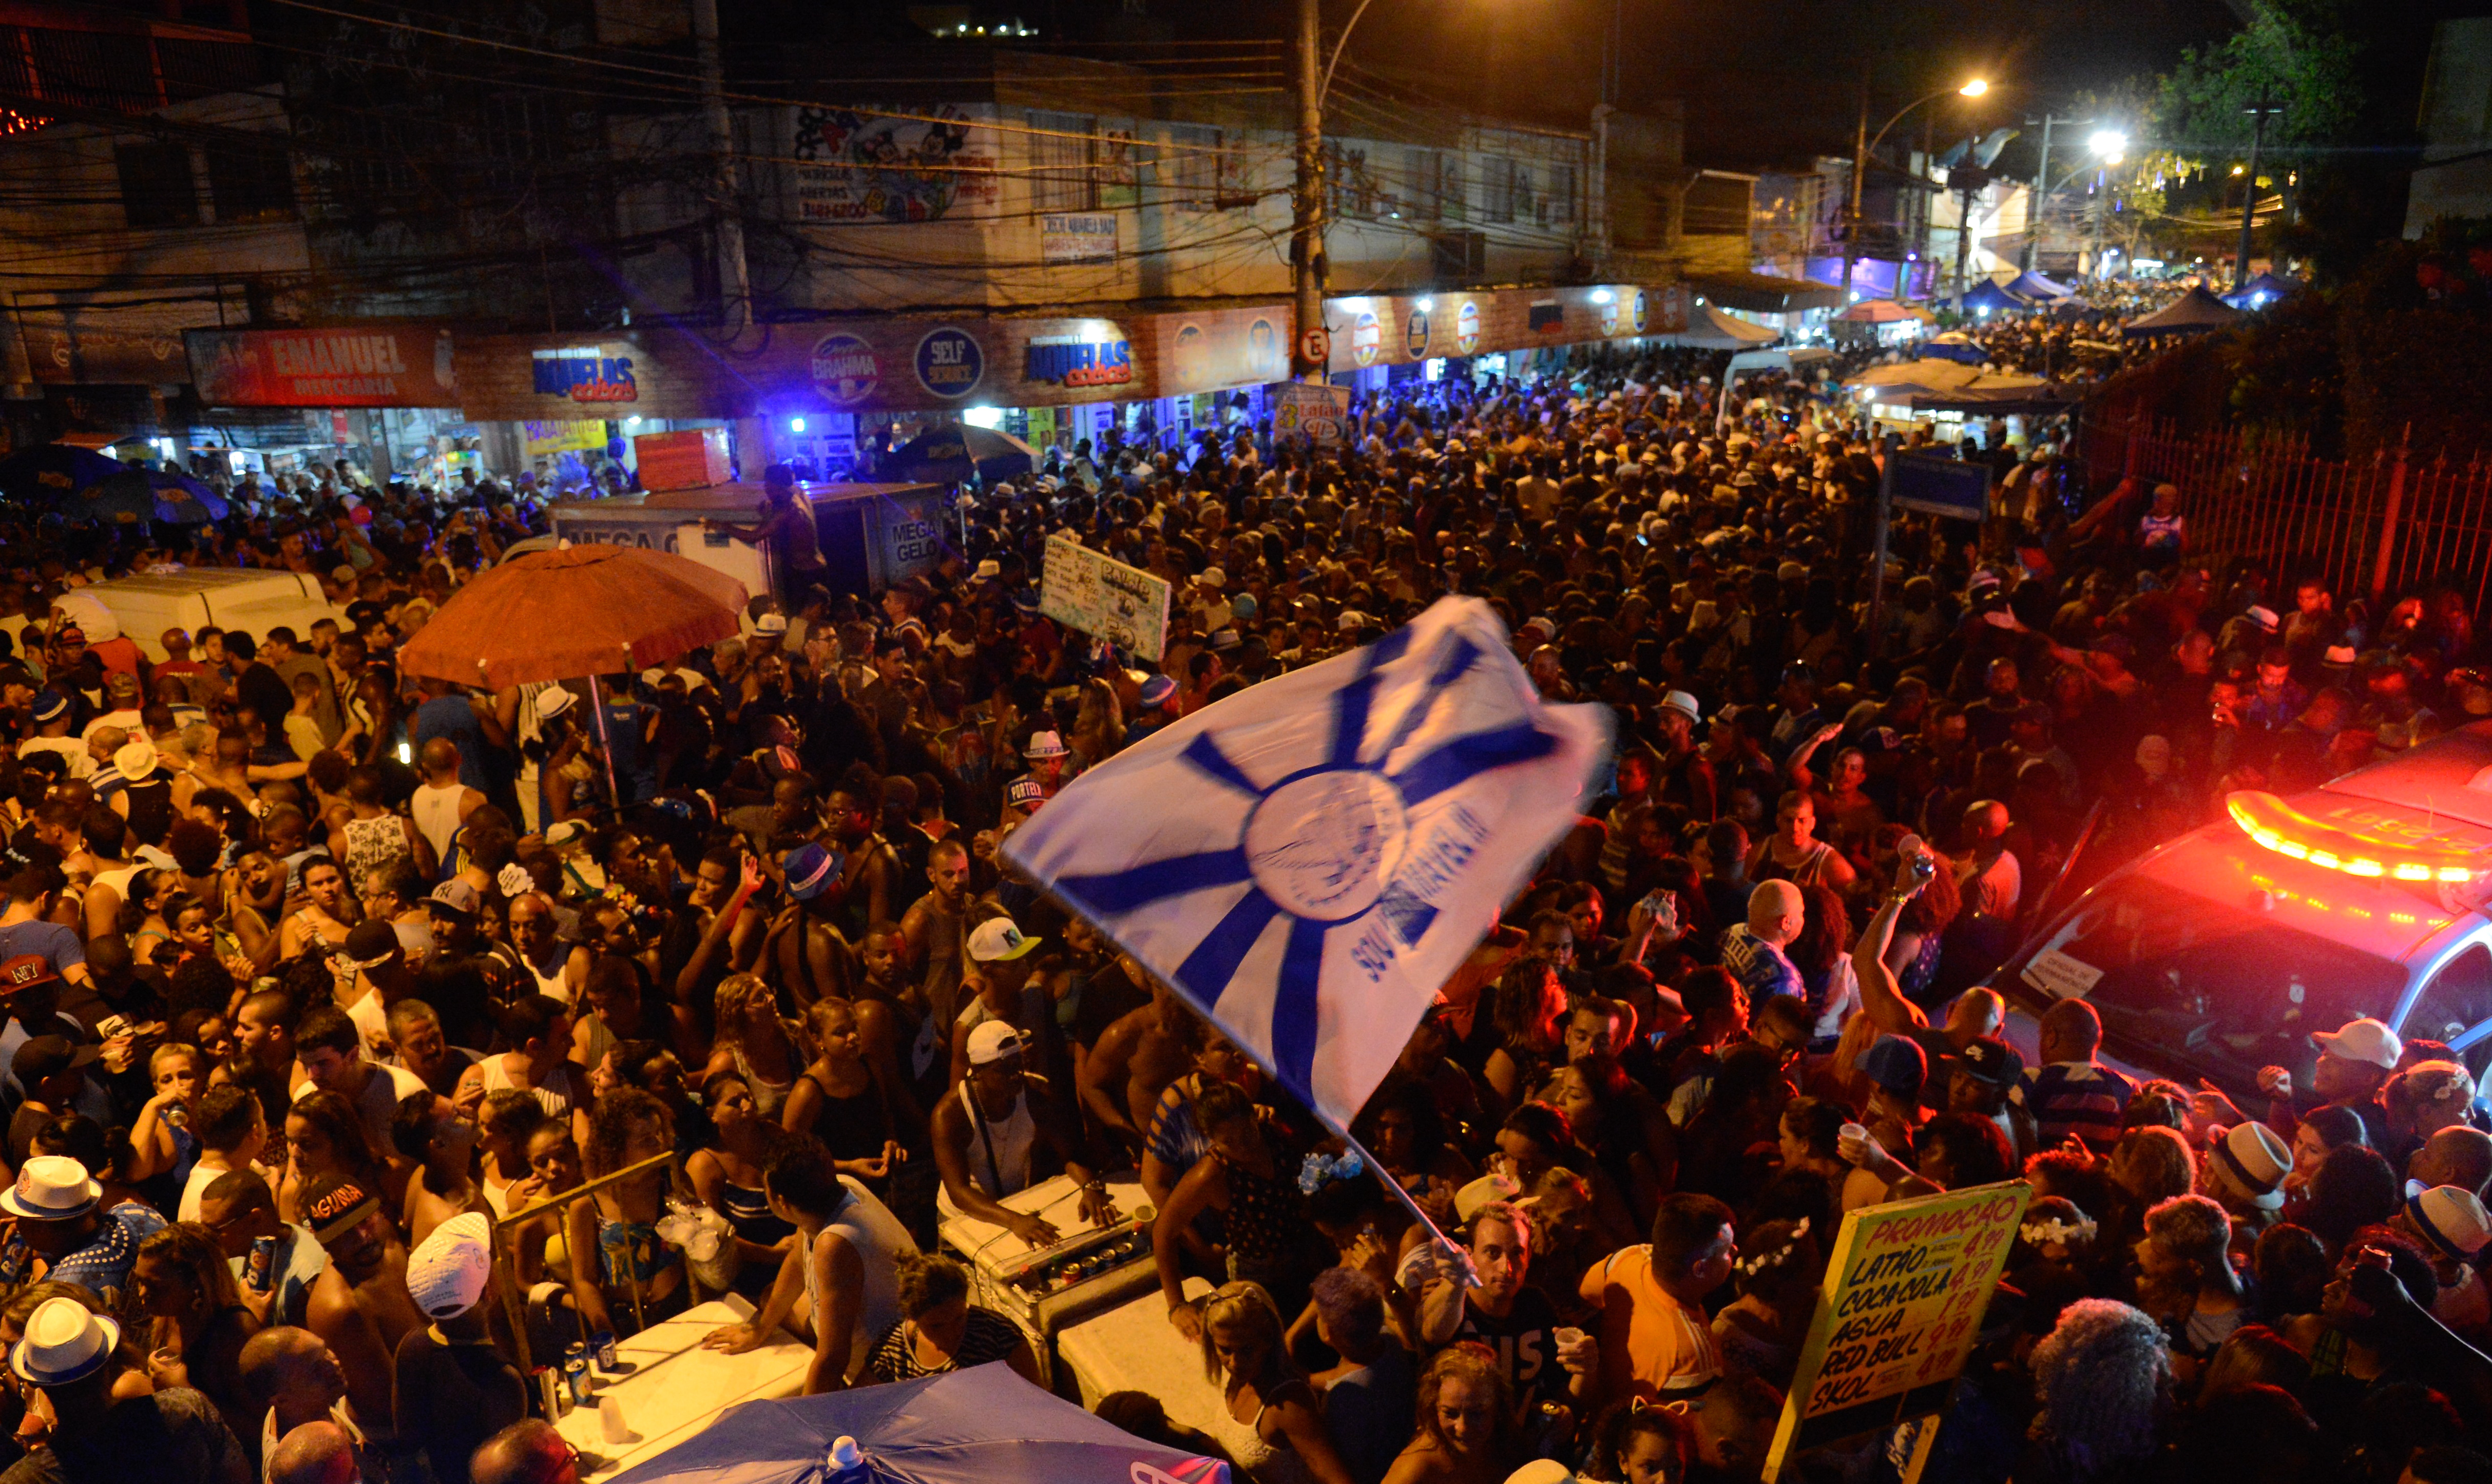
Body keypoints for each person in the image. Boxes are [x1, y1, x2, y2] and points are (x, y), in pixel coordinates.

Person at [703, 1136, 912, 1393]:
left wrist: (804, 1419)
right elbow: (796, 1261)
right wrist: (759, 1330)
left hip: (893, 1364)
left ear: (780, 1201)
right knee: (771, 1297)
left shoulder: (834, 1245)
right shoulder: (838, 1191)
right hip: (889, 1327)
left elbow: (833, 1358)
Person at [1, 1294, 251, 1484]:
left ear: (33, 1382)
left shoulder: (27, 1479)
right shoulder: (187, 1411)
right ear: (110, 1359)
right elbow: (241, 1477)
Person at [393, 1212, 528, 1484]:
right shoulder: (501, 1380)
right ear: (490, 1289)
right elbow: (513, 1470)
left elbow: (407, 1438)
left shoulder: (410, 1346)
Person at [1192, 1280, 1357, 1484]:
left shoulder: (1288, 1405)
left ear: (1268, 1339)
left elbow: (1338, 1480)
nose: (1234, 1363)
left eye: (1247, 1350)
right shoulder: (1238, 1379)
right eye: (1225, 1350)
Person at [1578, 1193, 1733, 1406]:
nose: (1735, 1251)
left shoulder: (1627, 1259)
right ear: (1701, 1268)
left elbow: (1587, 1292)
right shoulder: (1692, 1354)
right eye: (1727, 1251)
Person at [862, 1251, 1040, 1383]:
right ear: (912, 1317)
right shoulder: (892, 1348)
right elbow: (859, 1404)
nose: (951, 1333)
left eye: (959, 1319)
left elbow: (1037, 1403)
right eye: (936, 1326)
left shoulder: (1000, 1337)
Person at [1382, 1344, 1516, 1484]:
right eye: (1450, 1413)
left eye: (1476, 1414)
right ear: (1434, 1408)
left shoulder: (1507, 1445)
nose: (1462, 1428)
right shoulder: (1416, 1468)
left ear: (1498, 1407)